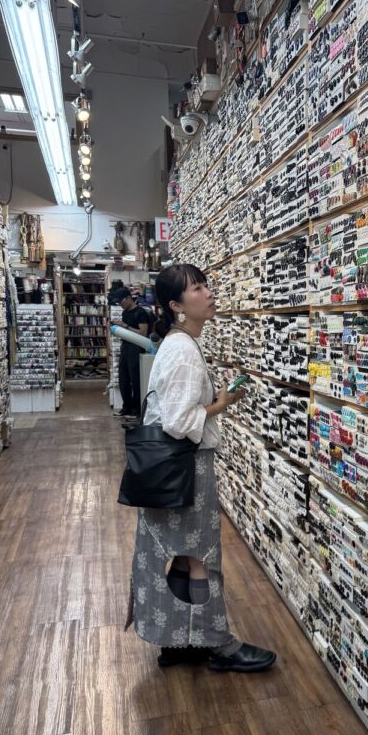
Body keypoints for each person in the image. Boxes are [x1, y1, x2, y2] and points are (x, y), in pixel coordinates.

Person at [124, 262, 277, 673]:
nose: (208, 293)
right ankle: (217, 642)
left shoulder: (180, 343)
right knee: (200, 557)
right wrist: (221, 404)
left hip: (171, 470)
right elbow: (178, 421)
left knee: (181, 554)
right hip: (186, 469)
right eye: (196, 289)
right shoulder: (183, 350)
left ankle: (180, 639)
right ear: (176, 305)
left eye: (206, 285)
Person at [114, 286, 152, 419]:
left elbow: (143, 333)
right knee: (123, 378)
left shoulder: (141, 312)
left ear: (129, 298)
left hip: (137, 348)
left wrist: (124, 326)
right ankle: (126, 407)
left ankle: (136, 409)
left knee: (135, 379)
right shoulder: (125, 313)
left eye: (121, 302)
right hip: (126, 346)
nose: (120, 305)